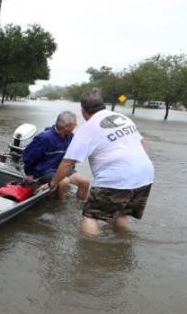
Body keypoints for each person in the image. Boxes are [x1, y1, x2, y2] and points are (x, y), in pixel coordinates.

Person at [45, 90, 154, 235]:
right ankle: (124, 245)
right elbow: (142, 142)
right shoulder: (122, 118)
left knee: (90, 216)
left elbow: (67, 163)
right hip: (145, 174)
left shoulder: (87, 129)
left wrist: (52, 184)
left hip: (116, 178)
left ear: (83, 110)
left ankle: (89, 252)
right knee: (121, 214)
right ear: (103, 105)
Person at [23, 111, 90, 200]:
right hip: (44, 170)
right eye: (74, 124)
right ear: (66, 127)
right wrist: (29, 173)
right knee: (64, 182)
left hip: (61, 168)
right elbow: (28, 156)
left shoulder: (70, 136)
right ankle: (60, 204)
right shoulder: (44, 138)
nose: (76, 125)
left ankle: (80, 205)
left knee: (85, 182)